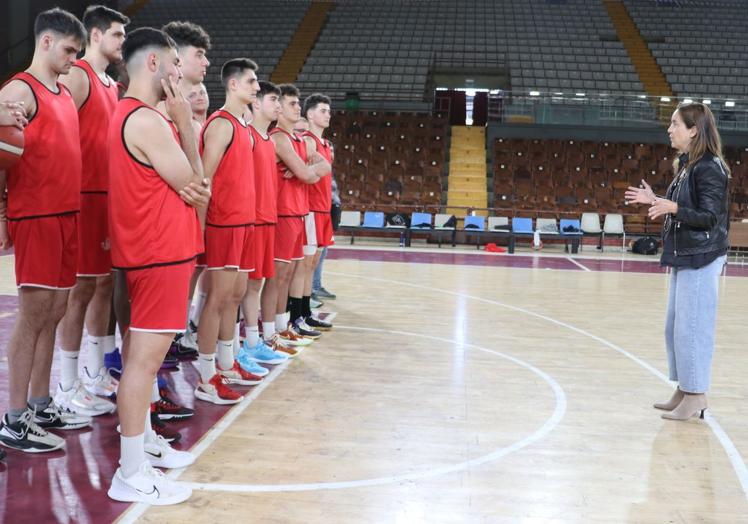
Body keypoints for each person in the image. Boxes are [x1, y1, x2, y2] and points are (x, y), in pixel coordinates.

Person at [106, 27, 209, 504]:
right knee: (143, 366)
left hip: (154, 253)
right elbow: (195, 181)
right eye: (172, 64)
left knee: (140, 362)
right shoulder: (147, 120)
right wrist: (186, 124)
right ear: (152, 65)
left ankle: (142, 448)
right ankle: (129, 472)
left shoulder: (134, 114)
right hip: (158, 253)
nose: (178, 73)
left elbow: (190, 185)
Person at [0, 8, 91, 454]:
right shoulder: (20, 89)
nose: (74, 59)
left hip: (67, 214)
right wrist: (2, 213)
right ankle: (14, 420)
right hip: (36, 216)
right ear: (47, 41)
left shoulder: (61, 93)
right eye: (70, 49)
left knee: (55, 311)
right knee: (34, 314)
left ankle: (38, 403)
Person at [625, 102, 729, 421]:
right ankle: (685, 388)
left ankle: (696, 394)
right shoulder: (688, 165)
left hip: (702, 256)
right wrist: (655, 201)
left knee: (692, 328)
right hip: (686, 255)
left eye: (675, 124)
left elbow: (710, 218)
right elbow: (680, 206)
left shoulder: (709, 167)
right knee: (675, 328)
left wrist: (670, 208)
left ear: (693, 130)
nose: (669, 129)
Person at [55, 4, 129, 418]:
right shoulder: (80, 75)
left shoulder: (110, 85)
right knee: (82, 289)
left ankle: (96, 371)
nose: (121, 42)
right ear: (95, 35)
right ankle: (66, 383)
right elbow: (64, 133)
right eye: (116, 35)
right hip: (83, 194)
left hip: (106, 195)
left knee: (102, 285)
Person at [194, 58, 264, 405]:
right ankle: (206, 376)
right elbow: (203, 179)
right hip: (224, 224)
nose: (257, 87)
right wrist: (200, 228)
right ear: (233, 85)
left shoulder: (243, 125)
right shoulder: (221, 124)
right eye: (251, 81)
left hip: (244, 222)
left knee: (234, 296)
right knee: (217, 300)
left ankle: (226, 362)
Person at [266, 84, 329, 350]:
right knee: (277, 277)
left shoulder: (299, 140)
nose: (297, 107)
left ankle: (282, 326)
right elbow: (307, 174)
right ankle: (271, 331)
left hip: (298, 212)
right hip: (283, 212)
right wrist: (305, 170)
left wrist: (306, 169)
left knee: (289, 272)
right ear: (278, 109)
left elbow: (324, 166)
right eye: (292, 104)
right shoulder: (279, 137)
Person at [300, 93, 334, 331]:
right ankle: (299, 313)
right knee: (305, 264)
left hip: (323, 208)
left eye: (328, 111)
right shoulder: (308, 140)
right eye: (323, 110)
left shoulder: (324, 143)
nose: (328, 114)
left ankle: (305, 310)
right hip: (310, 209)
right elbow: (303, 170)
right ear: (310, 114)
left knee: (312, 265)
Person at [312, 173, 340, 302]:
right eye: (331, 150)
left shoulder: (328, 170)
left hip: (330, 210)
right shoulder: (318, 166)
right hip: (319, 210)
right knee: (315, 254)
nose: (331, 153)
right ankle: (312, 288)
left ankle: (316, 286)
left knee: (323, 253)